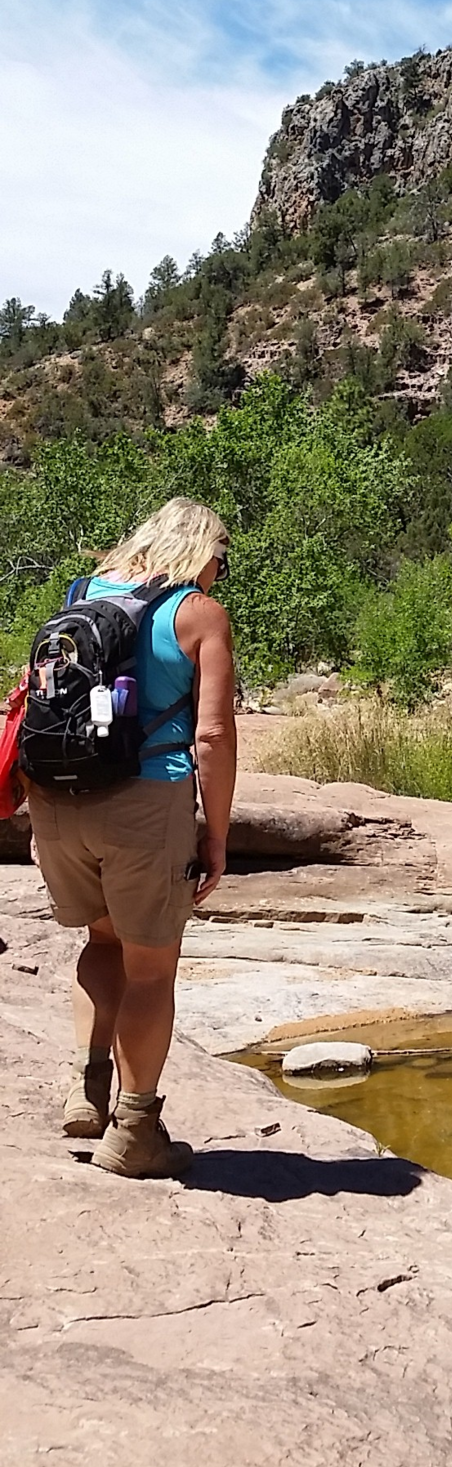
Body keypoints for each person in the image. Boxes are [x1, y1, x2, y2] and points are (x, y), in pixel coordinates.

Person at [28, 498, 237, 1176]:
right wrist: (218, 836)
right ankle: (135, 1132)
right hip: (146, 803)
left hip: (58, 797)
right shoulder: (197, 613)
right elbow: (210, 736)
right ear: (202, 549)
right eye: (221, 559)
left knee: (102, 941)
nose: (219, 573)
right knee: (152, 970)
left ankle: (86, 1092)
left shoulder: (82, 594)